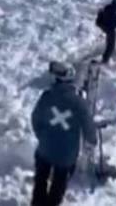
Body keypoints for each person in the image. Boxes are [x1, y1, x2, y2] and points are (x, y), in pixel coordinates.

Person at [31, 61, 97, 206]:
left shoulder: (47, 96)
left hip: (45, 148)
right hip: (66, 153)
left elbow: (36, 118)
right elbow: (88, 124)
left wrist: (41, 136)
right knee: (58, 184)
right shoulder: (79, 103)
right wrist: (91, 140)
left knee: (40, 180)